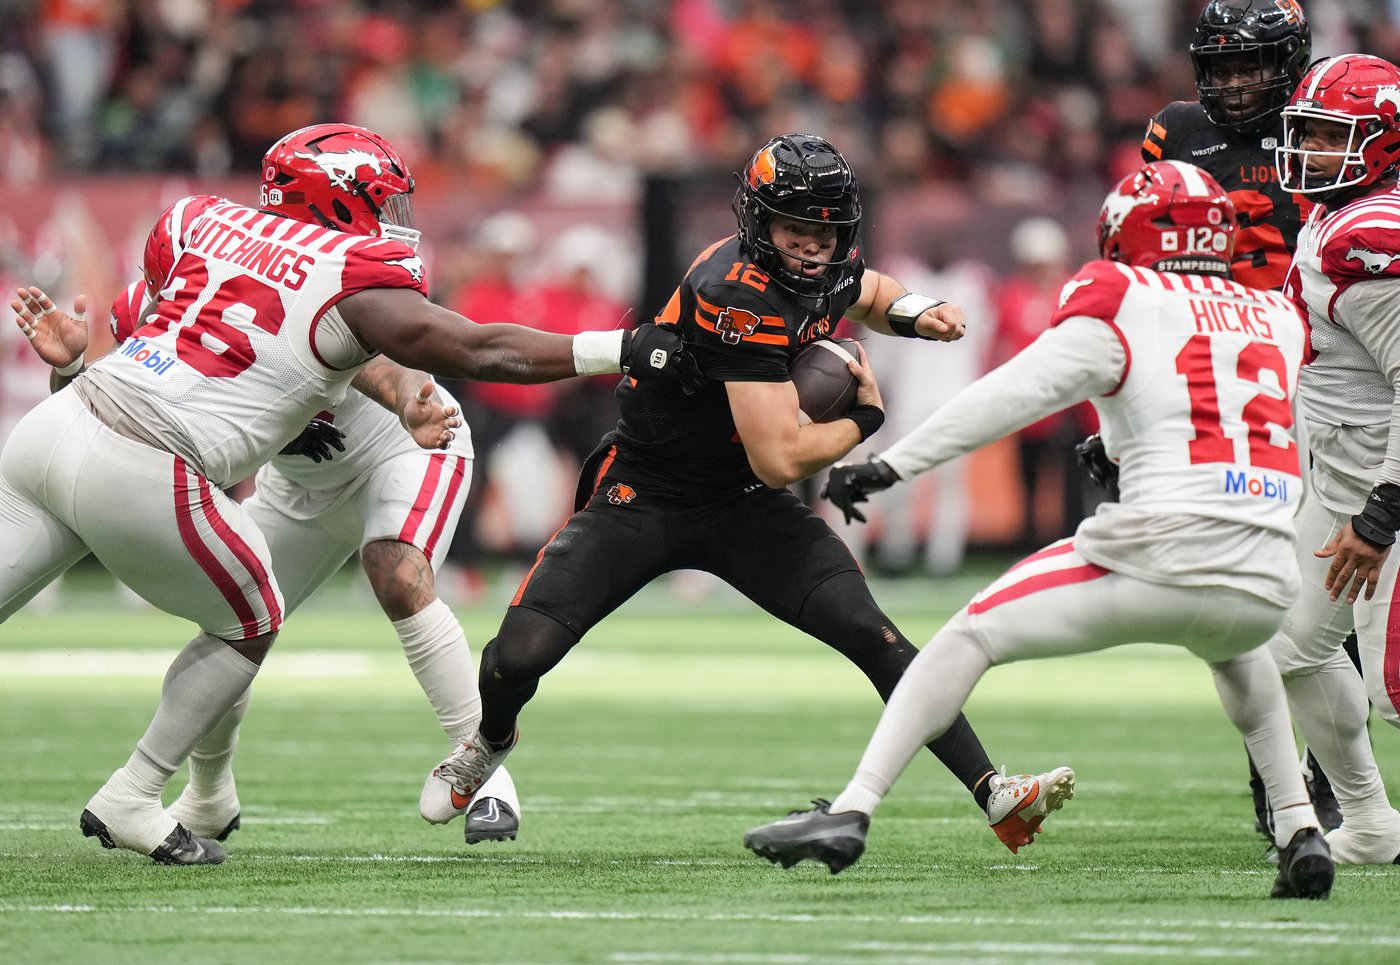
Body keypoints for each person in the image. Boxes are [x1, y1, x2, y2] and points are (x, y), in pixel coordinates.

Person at [2, 122, 697, 865]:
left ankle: (485, 769)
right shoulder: (351, 275)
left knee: (383, 573)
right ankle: (173, 792)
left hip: (386, 444)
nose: (394, 219)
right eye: (379, 201)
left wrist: (76, 368)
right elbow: (450, 341)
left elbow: (386, 358)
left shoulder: (197, 226)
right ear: (334, 205)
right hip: (198, 463)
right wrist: (614, 347)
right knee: (245, 620)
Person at [414, 132, 1074, 855]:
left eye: (825, 230)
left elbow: (869, 289)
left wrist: (918, 311)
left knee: (874, 634)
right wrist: (863, 420)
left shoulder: (824, 261)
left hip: (736, 502)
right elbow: (781, 457)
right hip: (650, 488)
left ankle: (996, 792)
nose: (812, 246)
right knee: (517, 655)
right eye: (795, 228)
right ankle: (490, 738)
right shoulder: (736, 292)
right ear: (759, 223)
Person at [745, 159, 1335, 900]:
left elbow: (1011, 394)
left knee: (964, 637)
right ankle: (1298, 826)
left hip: (1158, 553)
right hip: (1264, 570)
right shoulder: (1276, 316)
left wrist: (890, 466)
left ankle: (853, 808)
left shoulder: (1123, 296)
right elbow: (1296, 445)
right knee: (1240, 648)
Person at [23, 263, 524, 847]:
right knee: (231, 621)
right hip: (295, 487)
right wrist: (73, 371)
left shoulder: (276, 289)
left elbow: (379, 354)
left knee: (395, 569)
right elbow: (105, 423)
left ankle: (487, 775)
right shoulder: (144, 320)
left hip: (399, 450)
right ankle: (209, 794)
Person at [1139, 0, 1345, 837]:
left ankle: (1324, 774)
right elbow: (1144, 253)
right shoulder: (1176, 131)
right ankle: (1280, 774)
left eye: (1251, 65)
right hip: (1222, 374)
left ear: (1293, 60)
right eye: (1219, 67)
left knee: (1325, 586)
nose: (1233, 83)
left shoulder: (1331, 118)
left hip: (1325, 372)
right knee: (1244, 584)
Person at [1258, 52, 1400, 864]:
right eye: (1304, 132)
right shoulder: (1335, 213)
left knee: (1395, 691)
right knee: (1289, 645)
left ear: (1382, 140)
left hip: (1383, 490)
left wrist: (1381, 515)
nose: (1308, 150)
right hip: (1342, 481)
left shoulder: (1368, 235)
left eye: (1328, 135)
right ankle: (1373, 823)